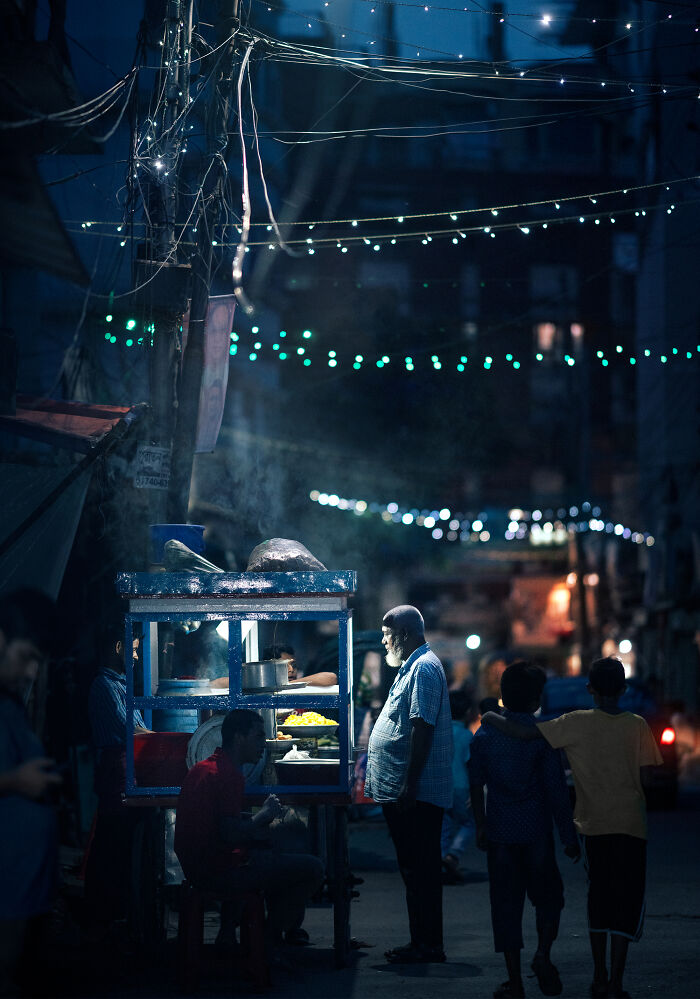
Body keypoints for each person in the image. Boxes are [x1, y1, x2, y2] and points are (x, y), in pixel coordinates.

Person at [482, 657, 663, 999]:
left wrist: (490, 714)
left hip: (594, 827)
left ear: (590, 690)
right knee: (626, 902)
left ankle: (597, 976)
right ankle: (615, 984)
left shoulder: (574, 723)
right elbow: (648, 777)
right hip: (631, 826)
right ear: (623, 689)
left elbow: (522, 732)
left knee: (599, 900)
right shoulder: (638, 725)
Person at [469, 661, 580, 999]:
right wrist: (568, 836)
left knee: (506, 907)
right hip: (536, 834)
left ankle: (514, 982)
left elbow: (476, 784)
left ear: (503, 696)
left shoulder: (485, 736)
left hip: (501, 832)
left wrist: (481, 826)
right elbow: (557, 791)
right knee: (549, 899)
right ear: (535, 700)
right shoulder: (541, 737)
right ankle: (542, 955)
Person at [174, 709, 324, 955]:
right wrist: (263, 816)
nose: (262, 745)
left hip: (197, 866)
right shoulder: (228, 775)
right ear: (238, 737)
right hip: (216, 871)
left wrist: (256, 823)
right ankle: (266, 943)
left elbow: (220, 823)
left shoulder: (205, 767)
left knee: (272, 854)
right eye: (257, 737)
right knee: (312, 869)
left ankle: (233, 935)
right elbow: (230, 834)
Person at [365, 605, 453, 964]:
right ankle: (421, 941)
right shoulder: (411, 667)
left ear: (403, 633)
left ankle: (428, 945)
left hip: (418, 793)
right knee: (414, 870)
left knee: (421, 871)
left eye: (387, 634)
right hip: (408, 790)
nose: (384, 640)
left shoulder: (424, 668)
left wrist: (409, 784)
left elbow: (422, 727)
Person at [0, 588, 62, 997]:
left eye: (39, 662)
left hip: (21, 895)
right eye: (26, 657)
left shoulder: (9, 705)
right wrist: (14, 782)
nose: (31, 673)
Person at [84, 623, 150, 934]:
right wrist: (162, 738)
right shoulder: (104, 686)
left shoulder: (121, 685)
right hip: (115, 775)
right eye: (134, 649)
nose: (136, 656)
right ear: (118, 648)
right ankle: (101, 918)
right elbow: (130, 730)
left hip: (126, 775)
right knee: (110, 845)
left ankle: (117, 914)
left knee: (122, 846)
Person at [441, 688, 475, 883]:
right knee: (468, 823)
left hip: (442, 784)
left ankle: (442, 857)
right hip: (462, 786)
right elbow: (470, 763)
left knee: (443, 824)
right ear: (468, 712)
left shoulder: (440, 733)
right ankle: (453, 855)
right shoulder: (466, 735)